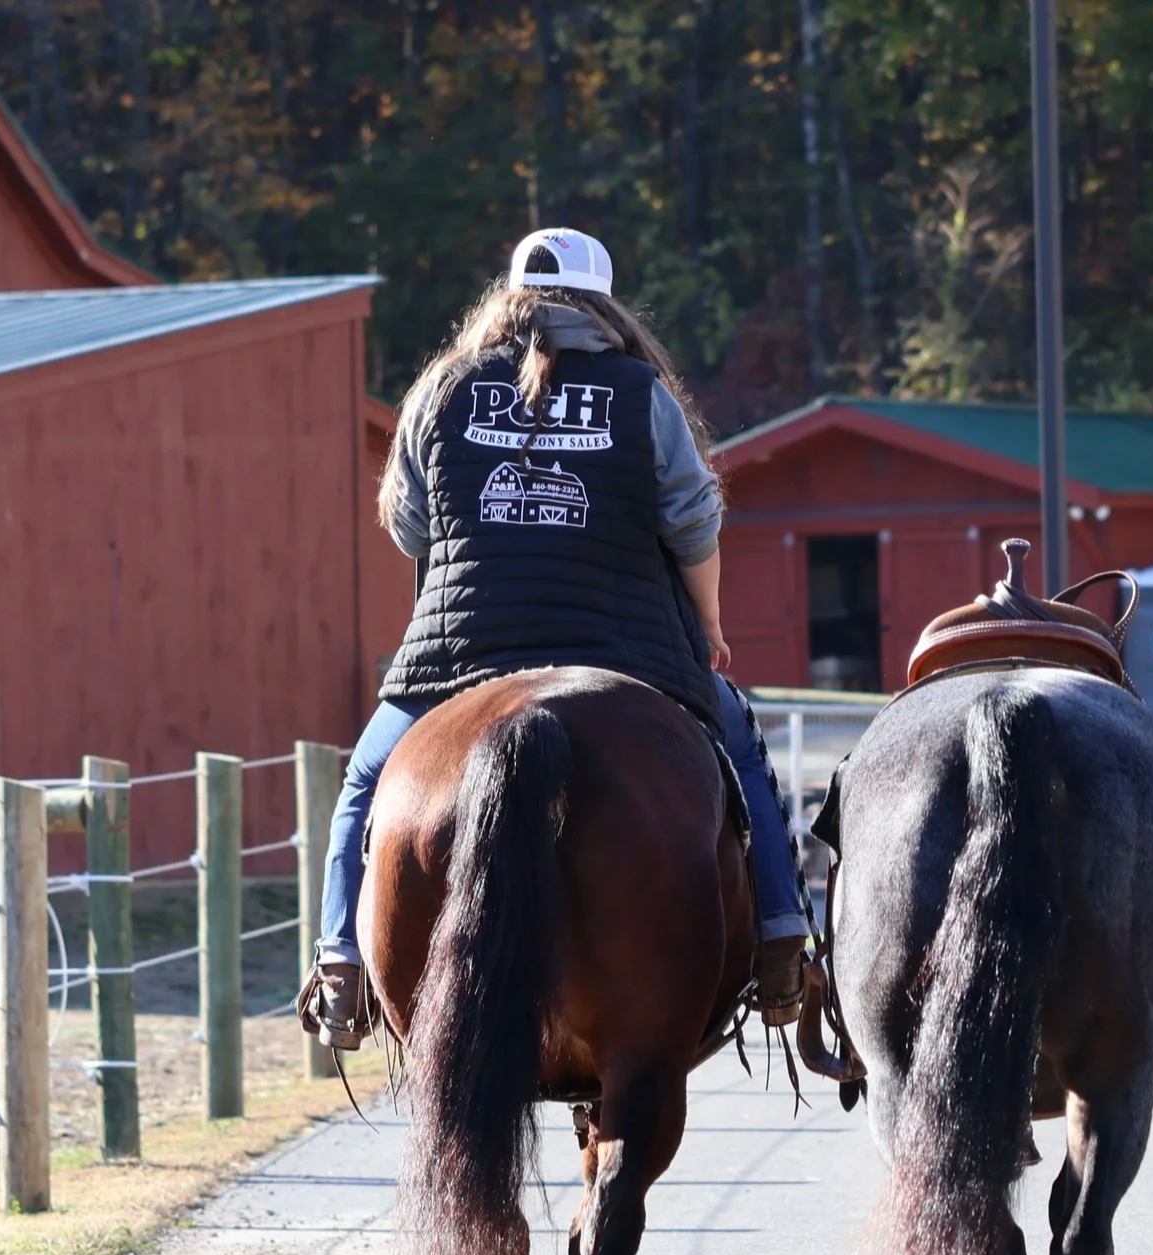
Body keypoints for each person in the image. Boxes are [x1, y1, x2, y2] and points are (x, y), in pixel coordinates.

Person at [299, 228, 810, 1048]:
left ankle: (339, 965)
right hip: (628, 647)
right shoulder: (641, 392)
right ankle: (784, 935)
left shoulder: (441, 387)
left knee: (366, 781)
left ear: (508, 294)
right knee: (743, 753)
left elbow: (407, 523)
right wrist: (707, 621)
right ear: (603, 305)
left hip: (459, 652)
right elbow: (693, 520)